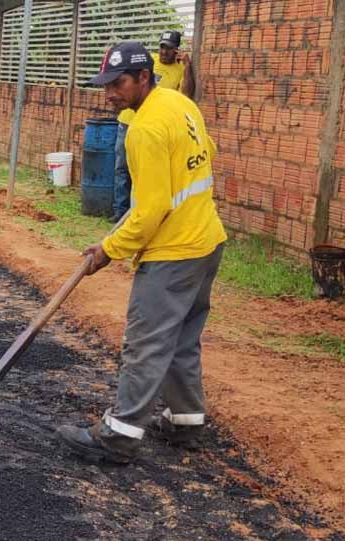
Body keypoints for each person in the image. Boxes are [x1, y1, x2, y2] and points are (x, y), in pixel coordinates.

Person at [56, 42, 226, 464]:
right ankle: (187, 423)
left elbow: (149, 210)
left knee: (145, 342)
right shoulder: (178, 103)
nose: (110, 93)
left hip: (174, 250)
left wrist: (108, 250)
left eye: (119, 84)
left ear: (144, 78)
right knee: (182, 340)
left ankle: (120, 434)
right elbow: (207, 156)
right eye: (106, 85)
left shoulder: (145, 130)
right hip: (207, 241)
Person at [113, 31, 196, 224]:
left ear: (176, 49)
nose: (164, 52)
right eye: (162, 47)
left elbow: (187, 95)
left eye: (168, 48)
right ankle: (120, 211)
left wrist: (188, 66)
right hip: (128, 122)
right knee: (122, 168)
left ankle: (140, 213)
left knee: (146, 173)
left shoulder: (179, 69)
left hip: (154, 127)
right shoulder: (147, 60)